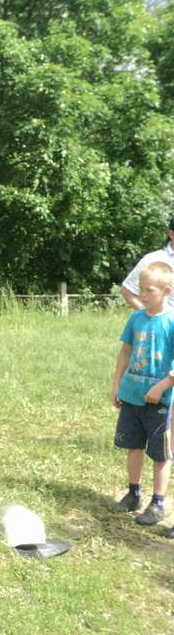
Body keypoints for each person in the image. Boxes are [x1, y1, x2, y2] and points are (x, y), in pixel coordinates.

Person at [111, 261, 174, 537]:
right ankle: (133, 493)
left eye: (149, 290)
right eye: (141, 289)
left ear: (166, 290)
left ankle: (157, 503)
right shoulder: (135, 319)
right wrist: (116, 384)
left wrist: (163, 385)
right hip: (132, 397)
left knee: (161, 454)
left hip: (159, 402)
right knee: (133, 445)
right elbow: (125, 352)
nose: (143, 295)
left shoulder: (171, 321)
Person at [120, 217, 174, 310]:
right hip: (163, 324)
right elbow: (127, 290)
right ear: (172, 234)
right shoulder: (153, 259)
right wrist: (147, 315)